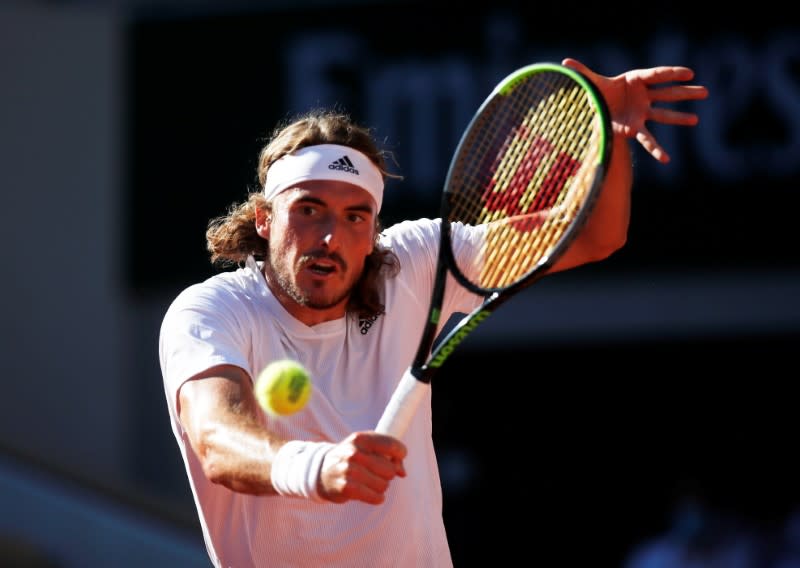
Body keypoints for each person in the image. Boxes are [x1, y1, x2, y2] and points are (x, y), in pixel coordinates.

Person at [159, 58, 708, 567]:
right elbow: (216, 438)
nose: (331, 237)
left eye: (355, 217)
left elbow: (593, 236)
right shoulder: (212, 310)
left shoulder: (416, 262)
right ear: (262, 218)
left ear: (373, 228)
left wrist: (606, 134)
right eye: (308, 210)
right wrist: (318, 467)